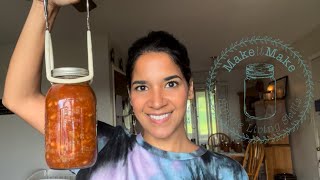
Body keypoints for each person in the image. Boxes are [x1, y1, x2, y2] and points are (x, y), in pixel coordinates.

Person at [2, 0, 248, 179]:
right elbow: (18, 97)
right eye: (142, 87)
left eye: (170, 83)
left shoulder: (226, 172)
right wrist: (46, 5)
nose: (157, 100)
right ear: (130, 95)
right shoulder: (100, 147)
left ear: (190, 88)